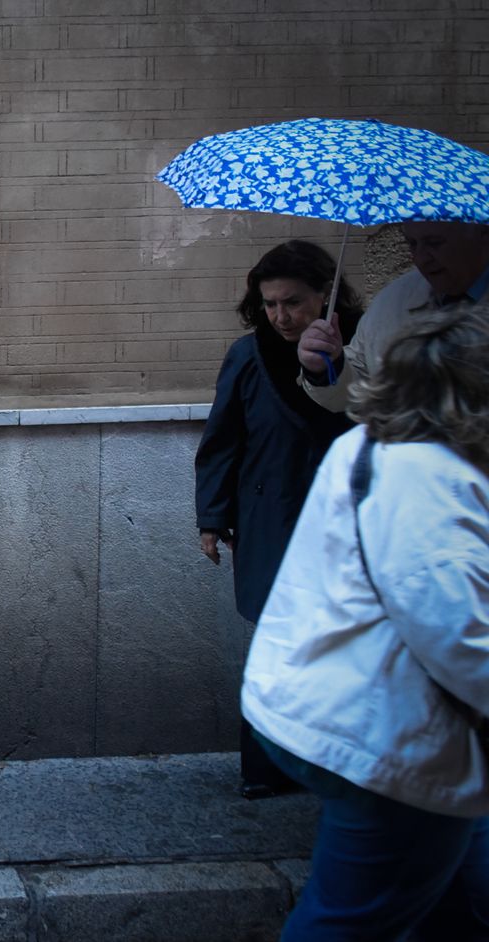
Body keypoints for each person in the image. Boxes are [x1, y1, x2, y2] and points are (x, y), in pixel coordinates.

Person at [242, 303, 489, 939]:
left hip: (338, 707)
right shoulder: (425, 475)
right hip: (383, 730)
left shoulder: (373, 447)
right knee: (353, 917)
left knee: (432, 899)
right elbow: (457, 630)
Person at [194, 240, 363, 798]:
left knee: (342, 642)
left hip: (342, 516)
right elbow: (222, 439)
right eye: (269, 304)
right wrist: (212, 518)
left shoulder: (360, 350)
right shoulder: (249, 355)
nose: (280, 316)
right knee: (276, 642)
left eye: (292, 302)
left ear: (325, 295)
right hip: (270, 516)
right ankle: (266, 769)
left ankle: (334, 762)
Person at [298, 221, 489, 411]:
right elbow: (358, 389)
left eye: (435, 243)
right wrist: (327, 366)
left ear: (482, 234)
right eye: (412, 243)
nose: (421, 258)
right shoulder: (393, 301)